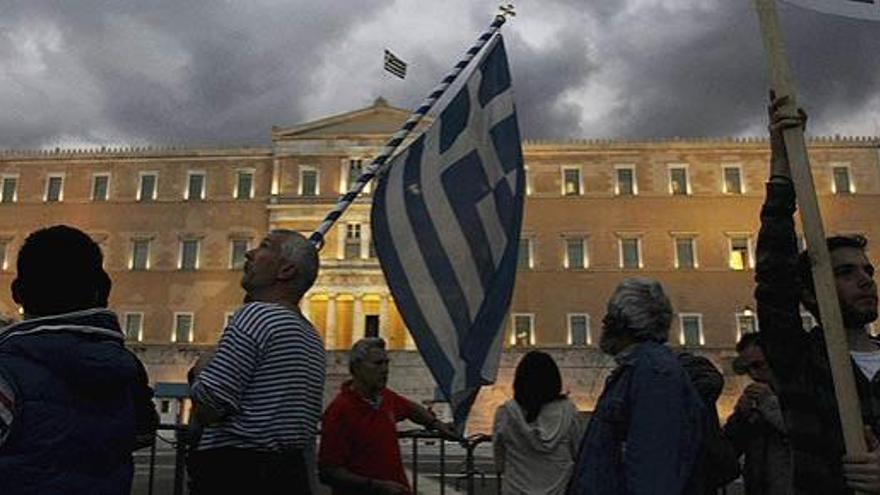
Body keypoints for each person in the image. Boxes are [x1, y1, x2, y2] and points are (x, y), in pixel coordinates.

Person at [757, 93, 880, 494]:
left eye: (867, 270)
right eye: (845, 272)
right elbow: (774, 279)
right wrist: (782, 165)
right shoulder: (802, 362)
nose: (865, 280)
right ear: (809, 296)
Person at [0, 225, 158, 494]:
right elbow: (143, 432)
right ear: (100, 291)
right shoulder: (125, 365)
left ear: (17, 293)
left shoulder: (8, 366)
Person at [188, 229, 326, 495]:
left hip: (237, 471)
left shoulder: (256, 316)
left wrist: (202, 367)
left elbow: (210, 406)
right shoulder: (311, 337)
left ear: (285, 271)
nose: (249, 253)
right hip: (288, 474)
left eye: (264, 247)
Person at [567, 277, 705, 495]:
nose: (603, 322)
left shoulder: (655, 374)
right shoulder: (641, 370)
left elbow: (653, 467)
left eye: (611, 316)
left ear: (626, 323)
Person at [319, 337, 459, 495]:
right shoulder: (339, 411)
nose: (385, 369)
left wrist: (437, 424)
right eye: (378, 363)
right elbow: (328, 472)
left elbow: (411, 409)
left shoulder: (385, 398)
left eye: (387, 363)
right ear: (356, 367)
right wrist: (376, 486)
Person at [492, 350, 585, 495]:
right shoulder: (568, 411)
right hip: (560, 488)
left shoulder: (506, 412)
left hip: (516, 488)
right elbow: (579, 451)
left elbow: (499, 458)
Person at [723, 332, 792, 495]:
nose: (754, 375)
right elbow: (728, 451)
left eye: (759, 366)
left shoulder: (802, 394)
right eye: (747, 369)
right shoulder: (754, 406)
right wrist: (740, 416)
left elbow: (804, 436)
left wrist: (770, 404)